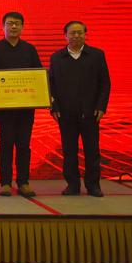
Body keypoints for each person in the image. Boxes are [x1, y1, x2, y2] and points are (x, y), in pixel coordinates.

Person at [0, 12, 42, 198]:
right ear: (3, 27)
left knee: (24, 144)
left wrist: (41, 96)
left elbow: (38, 76)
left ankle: (23, 182)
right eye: (9, 23)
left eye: (17, 23)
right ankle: (6, 182)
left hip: (26, 107)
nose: (13, 27)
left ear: (22, 26)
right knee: (6, 144)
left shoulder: (30, 49)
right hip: (4, 108)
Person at [49, 20, 110, 197]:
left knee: (92, 150)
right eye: (72, 33)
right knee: (69, 151)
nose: (76, 36)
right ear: (65, 36)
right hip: (65, 113)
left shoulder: (96, 55)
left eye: (79, 33)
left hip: (91, 112)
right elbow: (51, 85)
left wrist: (101, 106)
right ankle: (72, 185)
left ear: (85, 34)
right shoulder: (57, 57)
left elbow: (105, 83)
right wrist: (54, 107)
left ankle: (93, 185)